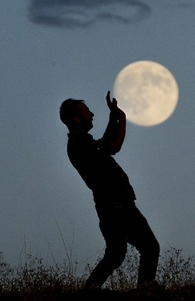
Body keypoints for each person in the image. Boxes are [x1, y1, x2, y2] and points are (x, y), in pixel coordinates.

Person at [60, 92, 160, 288]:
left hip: (111, 206)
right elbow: (113, 146)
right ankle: (145, 289)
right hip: (117, 206)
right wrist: (120, 118)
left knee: (116, 254)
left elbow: (105, 145)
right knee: (148, 247)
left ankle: (91, 291)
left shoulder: (82, 143)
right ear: (76, 117)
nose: (91, 114)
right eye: (86, 111)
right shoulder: (78, 144)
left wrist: (114, 118)